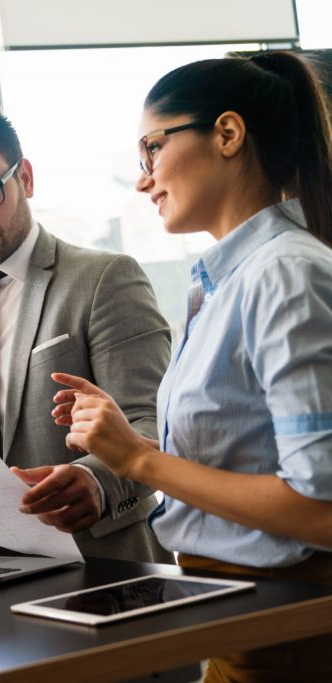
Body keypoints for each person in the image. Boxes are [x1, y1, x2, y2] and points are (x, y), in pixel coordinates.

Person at [53, 52, 332, 681]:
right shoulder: (228, 279)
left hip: (285, 627)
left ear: (227, 135)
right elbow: (253, 458)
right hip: (238, 613)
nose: (144, 178)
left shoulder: (283, 274)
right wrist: (124, 440)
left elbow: (321, 508)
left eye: (152, 147)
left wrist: (138, 461)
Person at [0, 104, 172, 562]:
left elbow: (155, 421)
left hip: (99, 566)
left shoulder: (105, 279)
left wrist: (99, 480)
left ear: (25, 178)